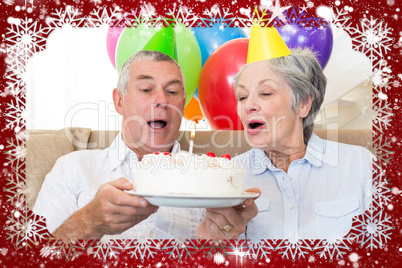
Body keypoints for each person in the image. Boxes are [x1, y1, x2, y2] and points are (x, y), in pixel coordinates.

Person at [33, 50, 258, 242]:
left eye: (172, 91)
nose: (162, 100)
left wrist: (208, 248)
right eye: (146, 89)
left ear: (183, 103)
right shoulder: (73, 169)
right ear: (119, 101)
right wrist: (89, 223)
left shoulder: (213, 178)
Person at [231, 48, 372, 242]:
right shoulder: (228, 176)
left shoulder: (360, 164)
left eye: (265, 93)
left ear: (303, 104)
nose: (248, 106)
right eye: (242, 97)